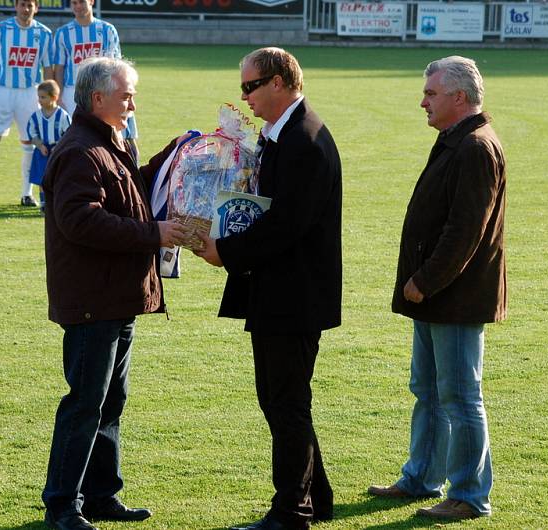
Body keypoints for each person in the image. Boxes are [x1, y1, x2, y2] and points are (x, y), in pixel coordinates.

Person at [194, 47, 342, 530]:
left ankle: (291, 512)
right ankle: (315, 500)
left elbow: (285, 225)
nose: (244, 96)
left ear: (279, 82)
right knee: (283, 400)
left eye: (250, 86)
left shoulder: (304, 138)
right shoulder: (285, 135)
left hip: (293, 295)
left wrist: (225, 252)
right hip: (282, 290)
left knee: (286, 404)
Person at [41, 56, 187, 530]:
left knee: (109, 402)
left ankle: (101, 494)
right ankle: (63, 504)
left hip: (115, 297)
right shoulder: (80, 149)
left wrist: (170, 160)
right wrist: (154, 233)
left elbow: (127, 193)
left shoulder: (106, 141)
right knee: (85, 402)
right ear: (97, 98)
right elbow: (80, 220)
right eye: (126, 94)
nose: (132, 101)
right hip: (92, 301)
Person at [367, 55, 506, 521]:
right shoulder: (457, 141)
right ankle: (422, 476)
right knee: (427, 388)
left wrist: (424, 281)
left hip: (454, 297)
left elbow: (465, 231)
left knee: (461, 397)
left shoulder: (475, 148)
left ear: (459, 97)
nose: (422, 101)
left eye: (431, 93)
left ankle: (468, 494)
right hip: (437, 295)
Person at [0, 0, 53, 207]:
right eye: (22, 4)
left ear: (36, 7)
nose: (25, 9)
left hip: (30, 94)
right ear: (16, 6)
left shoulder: (44, 33)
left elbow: (47, 68)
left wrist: (49, 97)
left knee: (30, 142)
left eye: (30, 5)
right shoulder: (1, 29)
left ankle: (26, 193)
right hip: (3, 91)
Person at [52, 0, 139, 159]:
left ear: (91, 2)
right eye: (74, 3)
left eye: (81, 2)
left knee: (124, 136)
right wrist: (58, 96)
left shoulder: (107, 30)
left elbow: (116, 65)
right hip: (74, 93)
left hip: (106, 90)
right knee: (76, 137)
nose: (78, 6)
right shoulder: (63, 33)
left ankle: (131, 172)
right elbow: (59, 67)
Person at [25, 79, 70, 213]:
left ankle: (56, 202)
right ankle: (44, 203)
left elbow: (69, 134)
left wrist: (59, 147)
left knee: (58, 178)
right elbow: (31, 133)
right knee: (41, 178)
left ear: (54, 97)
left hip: (58, 152)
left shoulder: (62, 115)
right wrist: (39, 145)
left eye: (43, 97)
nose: (40, 100)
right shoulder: (36, 116)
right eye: (39, 97)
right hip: (42, 151)